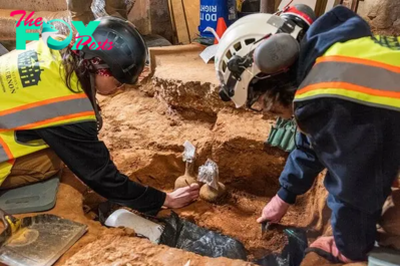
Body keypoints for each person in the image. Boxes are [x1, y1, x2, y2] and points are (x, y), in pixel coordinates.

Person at [215, 4, 400, 263]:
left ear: (269, 80)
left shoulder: (331, 95)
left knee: (388, 231)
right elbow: (311, 142)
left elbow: (355, 183)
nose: (265, 113)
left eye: (257, 102)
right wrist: (284, 195)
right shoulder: (329, 60)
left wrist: (347, 247)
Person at [0, 16, 199, 216]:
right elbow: (100, 176)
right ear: (101, 68)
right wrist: (164, 199)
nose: (119, 88)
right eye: (119, 81)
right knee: (53, 159)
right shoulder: (66, 105)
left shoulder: (55, 46)